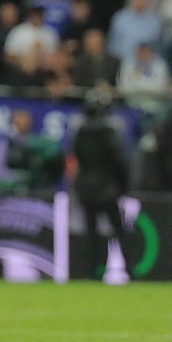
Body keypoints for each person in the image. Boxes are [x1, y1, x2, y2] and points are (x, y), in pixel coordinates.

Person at [71, 90, 131, 279]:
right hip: (107, 187)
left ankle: (92, 272)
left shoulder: (80, 133)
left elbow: (77, 157)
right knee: (119, 230)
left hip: (86, 187)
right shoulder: (110, 133)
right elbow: (120, 161)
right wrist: (123, 186)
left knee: (91, 232)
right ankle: (130, 270)